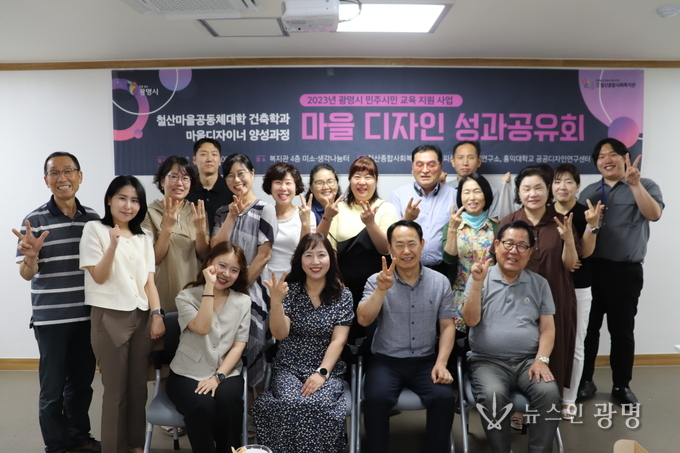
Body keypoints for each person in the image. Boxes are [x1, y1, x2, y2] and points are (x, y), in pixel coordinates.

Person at [13, 152, 101, 453]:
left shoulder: (93, 219)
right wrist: (31, 257)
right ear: (46, 180)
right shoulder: (34, 221)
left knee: (81, 385)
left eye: (68, 171)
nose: (62, 178)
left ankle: (79, 438)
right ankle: (56, 445)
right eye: (55, 173)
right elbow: (26, 274)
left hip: (86, 318)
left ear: (80, 176)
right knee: (52, 390)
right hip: (51, 320)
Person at [80, 175, 166, 453]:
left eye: (135, 200)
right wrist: (113, 245)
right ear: (109, 200)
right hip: (109, 317)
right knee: (116, 391)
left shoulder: (145, 236)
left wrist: (157, 314)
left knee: (138, 389)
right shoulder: (95, 229)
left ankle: (136, 446)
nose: (128, 205)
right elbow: (99, 276)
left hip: (141, 317)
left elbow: (149, 281)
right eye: (122, 198)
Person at [577, 138, 664, 406]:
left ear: (625, 157)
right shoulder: (588, 192)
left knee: (622, 331)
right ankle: (585, 381)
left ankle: (621, 385)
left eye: (612, 154)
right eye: (601, 156)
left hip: (625, 271)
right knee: (588, 330)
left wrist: (635, 184)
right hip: (592, 270)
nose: (607, 160)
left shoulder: (645, 185)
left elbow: (654, 214)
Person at [357, 220, 456, 453]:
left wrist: (441, 363)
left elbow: (447, 326)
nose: (406, 251)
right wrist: (381, 291)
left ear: (422, 244)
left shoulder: (440, 281)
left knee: (443, 397)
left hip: (426, 360)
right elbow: (363, 320)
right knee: (375, 399)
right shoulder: (376, 280)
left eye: (412, 243)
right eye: (399, 245)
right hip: (386, 361)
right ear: (389, 248)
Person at [462, 220, 561, 453]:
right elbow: (470, 321)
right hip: (487, 361)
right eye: (508, 243)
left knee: (549, 394)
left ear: (530, 252)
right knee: (492, 396)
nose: (514, 251)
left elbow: (548, 328)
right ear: (496, 245)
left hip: (529, 361)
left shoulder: (539, 283)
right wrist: (477, 284)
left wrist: (541, 360)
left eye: (522, 246)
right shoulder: (479, 277)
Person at [252, 233, 354, 453]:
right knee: (291, 403)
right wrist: (276, 303)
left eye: (321, 255)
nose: (315, 262)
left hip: (327, 368)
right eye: (308, 255)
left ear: (330, 259)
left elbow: (339, 340)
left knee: (318, 404)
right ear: (300, 260)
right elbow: (280, 334)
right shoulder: (290, 291)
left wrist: (322, 373)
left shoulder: (343, 295)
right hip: (289, 366)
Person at [497, 166, 580, 397]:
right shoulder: (509, 222)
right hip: (517, 296)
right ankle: (519, 404)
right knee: (520, 345)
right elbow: (500, 261)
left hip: (556, 292)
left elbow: (570, 265)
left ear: (548, 190)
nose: (533, 194)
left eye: (538, 188)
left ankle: (551, 400)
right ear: (519, 193)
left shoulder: (562, 221)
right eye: (526, 189)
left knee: (556, 346)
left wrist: (568, 240)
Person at [166, 241, 251, 453]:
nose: (226, 274)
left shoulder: (243, 302)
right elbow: (202, 328)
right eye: (222, 265)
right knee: (202, 405)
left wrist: (218, 377)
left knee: (229, 402)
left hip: (226, 372)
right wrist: (209, 288)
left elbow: (238, 345)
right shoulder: (186, 296)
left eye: (234, 270)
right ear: (209, 263)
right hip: (187, 372)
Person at [211, 153, 278, 388]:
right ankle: (227, 396)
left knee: (253, 343)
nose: (236, 180)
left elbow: (264, 255)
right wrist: (231, 216)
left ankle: (254, 404)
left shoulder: (265, 209)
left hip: (253, 288)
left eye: (241, 174)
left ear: (252, 174)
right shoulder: (222, 212)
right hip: (222, 287)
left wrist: (239, 288)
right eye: (230, 176)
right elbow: (215, 248)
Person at [316, 156, 398, 342]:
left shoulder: (385, 208)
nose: (362, 182)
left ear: (376, 181)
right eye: (357, 176)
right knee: (344, 340)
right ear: (350, 180)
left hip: (377, 286)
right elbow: (328, 248)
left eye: (368, 177)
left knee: (375, 338)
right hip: (343, 287)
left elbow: (386, 249)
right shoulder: (338, 207)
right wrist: (336, 278)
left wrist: (370, 223)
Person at [551, 163, 602, 419]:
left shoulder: (586, 213)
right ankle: (545, 393)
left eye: (569, 181)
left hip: (578, 285)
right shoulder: (544, 212)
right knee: (543, 340)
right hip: (547, 285)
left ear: (578, 186)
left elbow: (586, 252)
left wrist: (592, 225)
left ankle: (568, 399)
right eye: (557, 181)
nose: (563, 186)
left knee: (575, 342)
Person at [142, 155, 209, 313]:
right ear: (162, 181)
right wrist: (166, 228)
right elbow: (154, 258)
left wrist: (200, 232)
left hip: (193, 293)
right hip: (160, 292)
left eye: (185, 178)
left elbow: (204, 255)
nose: (179, 183)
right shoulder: (149, 212)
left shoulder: (197, 212)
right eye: (173, 177)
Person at [441, 173, 497, 332]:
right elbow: (449, 260)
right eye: (466, 192)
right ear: (460, 197)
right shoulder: (451, 226)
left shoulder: (496, 227)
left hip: (490, 296)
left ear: (486, 195)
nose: (472, 197)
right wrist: (453, 230)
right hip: (459, 297)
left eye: (477, 191)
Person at [389, 144, 456, 275]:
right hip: (407, 267)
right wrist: (407, 219)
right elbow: (392, 238)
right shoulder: (398, 195)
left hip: (444, 269)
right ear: (412, 168)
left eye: (431, 165)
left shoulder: (454, 195)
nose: (425, 170)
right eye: (419, 164)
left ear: (440, 168)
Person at [262, 162, 315, 279]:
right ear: (270, 186)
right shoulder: (263, 215)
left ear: (296, 187)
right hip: (266, 281)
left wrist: (305, 222)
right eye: (278, 182)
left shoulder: (306, 214)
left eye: (288, 183)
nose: (283, 188)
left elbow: (308, 252)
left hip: (296, 280)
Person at [442, 140, 510, 220]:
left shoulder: (492, 191)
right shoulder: (444, 190)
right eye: (460, 158)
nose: (465, 163)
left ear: (478, 162)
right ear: (453, 162)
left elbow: (494, 222)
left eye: (470, 158)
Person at [185, 138, 234, 234]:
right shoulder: (186, 189)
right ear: (194, 160)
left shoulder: (231, 188)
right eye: (203, 154)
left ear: (220, 161)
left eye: (214, 154)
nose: (209, 159)